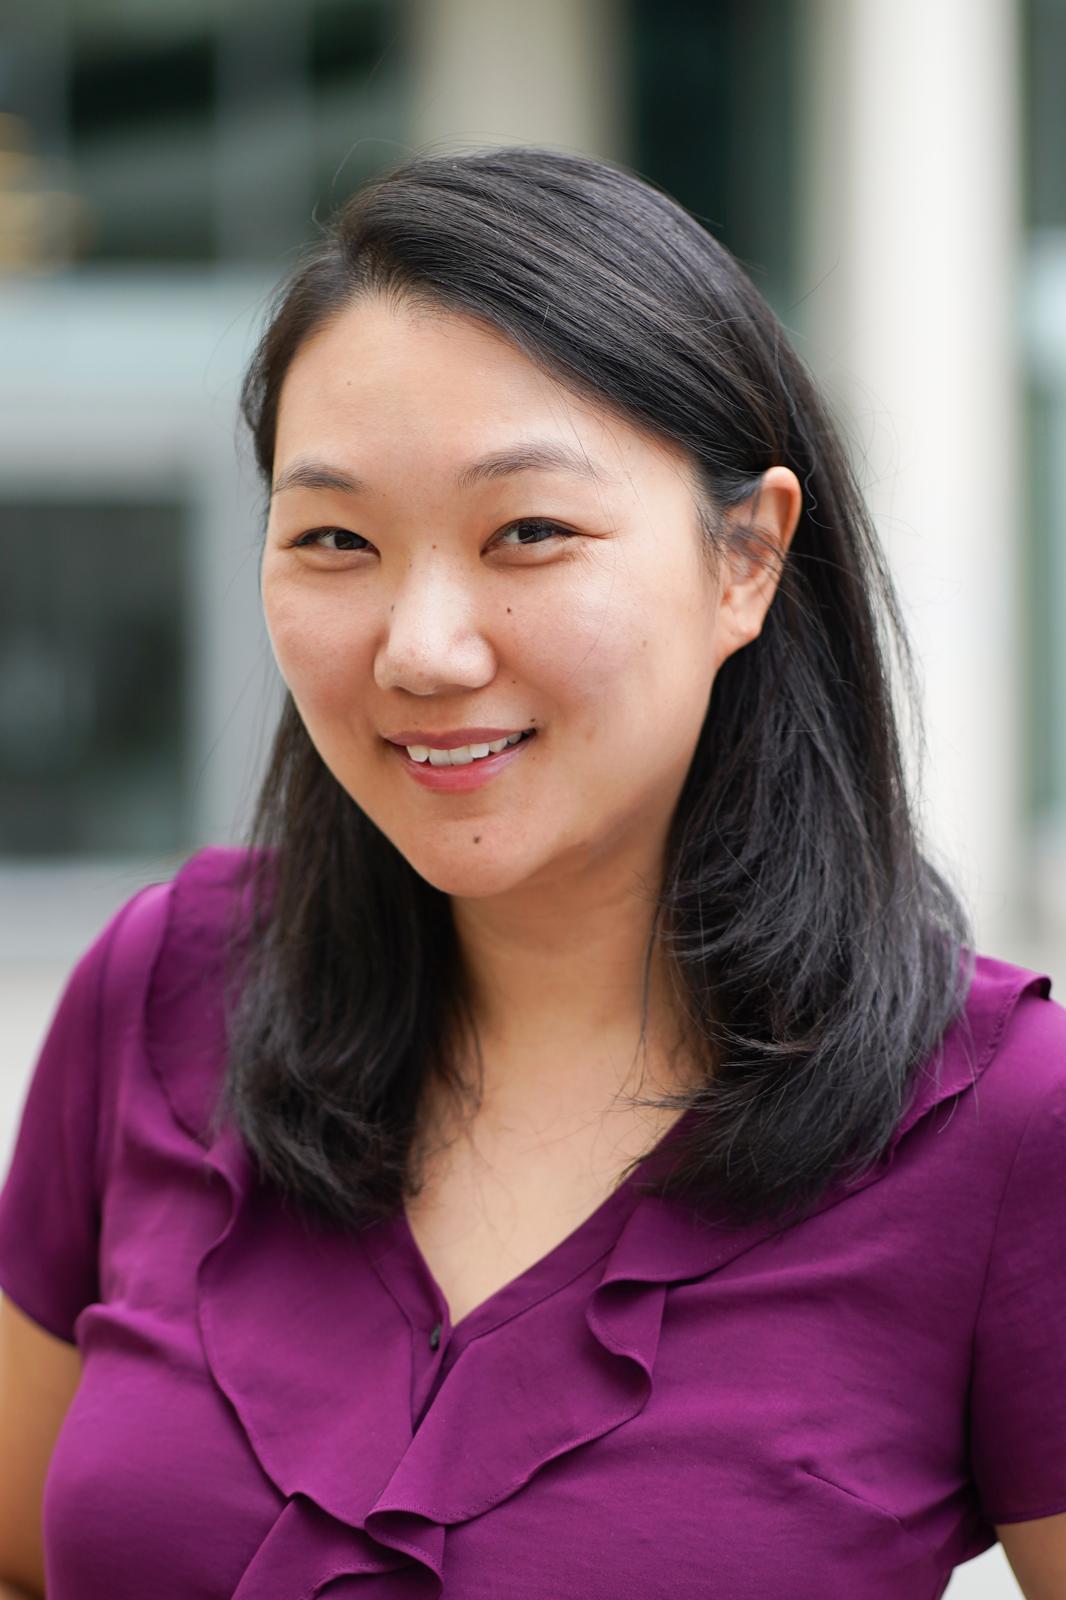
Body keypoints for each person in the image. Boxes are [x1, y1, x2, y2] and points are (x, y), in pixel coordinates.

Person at [0, 145, 1063, 1600]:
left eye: (529, 534)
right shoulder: (165, 988)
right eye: (333, 539)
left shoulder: (1005, 1124)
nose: (422, 648)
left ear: (744, 557)